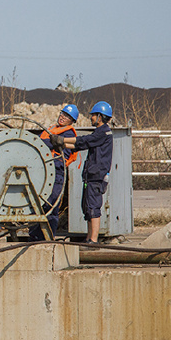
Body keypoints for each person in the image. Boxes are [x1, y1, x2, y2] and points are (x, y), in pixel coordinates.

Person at [54, 101, 114, 244]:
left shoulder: (103, 132)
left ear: (100, 116)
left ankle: (93, 240)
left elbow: (85, 140)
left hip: (97, 176)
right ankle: (89, 238)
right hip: (91, 176)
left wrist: (63, 140)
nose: (91, 118)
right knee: (88, 207)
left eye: (93, 115)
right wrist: (62, 144)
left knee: (93, 207)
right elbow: (81, 145)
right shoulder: (99, 133)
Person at [30, 104, 79, 241]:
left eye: (68, 116)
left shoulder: (68, 134)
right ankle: (35, 237)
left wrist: (44, 143)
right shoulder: (51, 130)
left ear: (72, 121)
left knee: (50, 206)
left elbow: (61, 156)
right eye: (63, 114)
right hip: (42, 172)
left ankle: (47, 238)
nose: (63, 117)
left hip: (55, 174)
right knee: (38, 206)